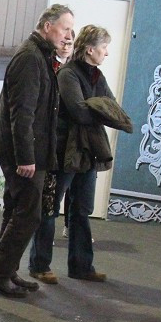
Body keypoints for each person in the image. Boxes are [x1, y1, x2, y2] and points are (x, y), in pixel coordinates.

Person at [0, 4, 75, 298]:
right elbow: (22, 113)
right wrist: (26, 158)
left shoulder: (40, 55)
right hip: (23, 153)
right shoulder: (30, 58)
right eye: (65, 28)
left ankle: (7, 271)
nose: (69, 35)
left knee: (16, 210)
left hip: (27, 150)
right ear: (47, 26)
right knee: (28, 215)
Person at [29, 25, 115, 284]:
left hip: (87, 153)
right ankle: (39, 265)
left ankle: (81, 266)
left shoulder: (96, 76)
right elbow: (79, 111)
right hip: (63, 152)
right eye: (104, 48)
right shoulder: (68, 74)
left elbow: (112, 107)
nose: (107, 53)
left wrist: (96, 107)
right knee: (50, 208)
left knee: (81, 210)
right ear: (90, 50)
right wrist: (98, 109)